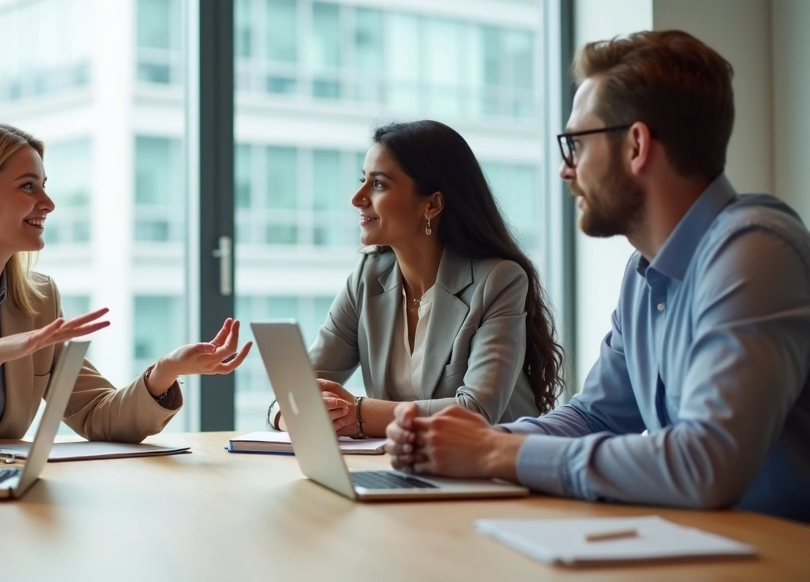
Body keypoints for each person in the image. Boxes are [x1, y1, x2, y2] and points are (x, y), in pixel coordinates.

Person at [385, 30, 810, 522]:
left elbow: (706, 461)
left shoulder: (755, 250)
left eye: (576, 145)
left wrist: (493, 454)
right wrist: (475, 440)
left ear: (636, 146)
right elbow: (596, 416)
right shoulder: (644, 272)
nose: (568, 171)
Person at [0, 120, 251, 442]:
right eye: (27, 187)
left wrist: (165, 371)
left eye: (44, 186)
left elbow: (96, 414)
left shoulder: (37, 299)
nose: (48, 204)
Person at [268, 120, 564, 437]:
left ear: (432, 204)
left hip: (493, 473)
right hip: (404, 469)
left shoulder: (498, 280)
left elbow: (476, 411)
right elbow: (300, 388)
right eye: (362, 180)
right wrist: (286, 415)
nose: (357, 197)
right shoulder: (368, 277)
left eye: (378, 184)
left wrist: (356, 413)